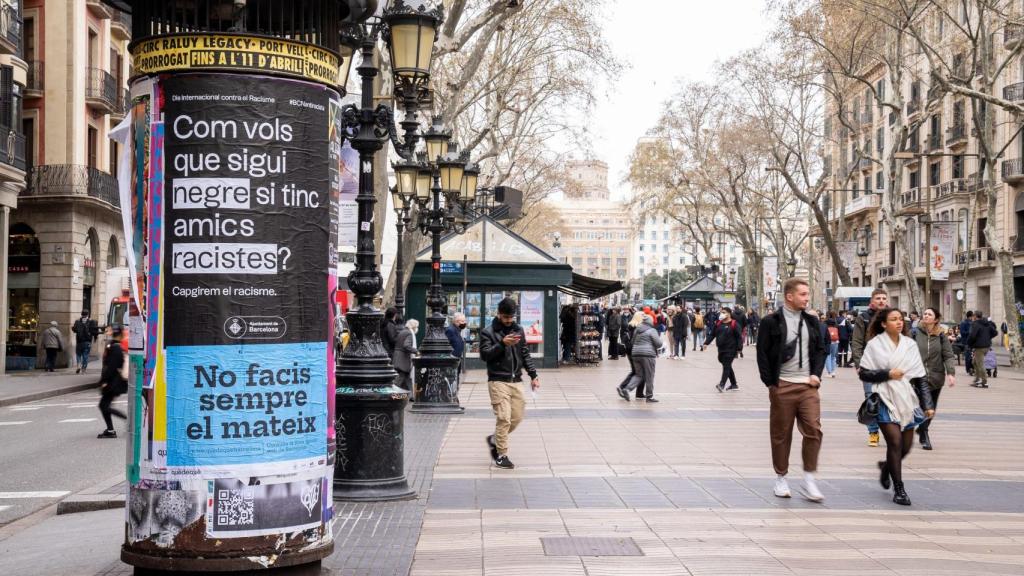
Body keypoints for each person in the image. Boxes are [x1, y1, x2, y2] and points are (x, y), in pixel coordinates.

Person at [756, 278, 826, 502]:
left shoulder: (813, 322)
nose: (807, 298)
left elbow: (820, 350)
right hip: (782, 384)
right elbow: (762, 353)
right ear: (789, 296)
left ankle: (809, 478)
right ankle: (781, 477)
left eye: (807, 294)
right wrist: (771, 384)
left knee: (814, 430)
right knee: (781, 433)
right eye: (803, 294)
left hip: (808, 386)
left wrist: (816, 373)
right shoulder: (771, 321)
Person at [858, 308, 934, 505]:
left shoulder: (910, 344)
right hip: (884, 397)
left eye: (901, 319)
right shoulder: (874, 345)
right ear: (884, 324)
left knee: (906, 447)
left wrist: (928, 404)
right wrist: (887, 374)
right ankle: (899, 489)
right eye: (894, 319)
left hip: (906, 398)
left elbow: (920, 377)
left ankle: (886, 468)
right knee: (894, 442)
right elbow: (864, 374)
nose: (899, 322)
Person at [480, 298, 540, 469]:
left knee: (517, 417)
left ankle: (495, 439)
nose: (508, 320)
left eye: (511, 317)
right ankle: (501, 455)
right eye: (505, 317)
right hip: (498, 380)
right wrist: (501, 343)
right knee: (504, 418)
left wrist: (533, 375)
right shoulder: (488, 332)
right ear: (498, 314)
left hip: (517, 380)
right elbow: (485, 355)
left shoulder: (518, 330)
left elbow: (525, 354)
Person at [850, 288, 889, 447]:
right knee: (871, 399)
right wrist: (859, 363)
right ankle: (873, 432)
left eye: (883, 298)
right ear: (872, 301)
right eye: (878, 298)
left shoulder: (893, 317)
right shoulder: (863, 318)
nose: (881, 301)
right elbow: (857, 342)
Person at [913, 307, 955, 450]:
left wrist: (951, 373)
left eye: (929, 314)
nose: (926, 316)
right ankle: (924, 434)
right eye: (924, 314)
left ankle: (922, 428)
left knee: (932, 408)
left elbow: (948, 355)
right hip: (918, 375)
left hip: (936, 376)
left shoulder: (941, 335)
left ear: (936, 319)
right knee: (926, 406)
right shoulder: (915, 332)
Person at [617, 314, 662, 402]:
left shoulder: (637, 329)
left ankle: (627, 389)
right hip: (648, 355)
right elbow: (659, 344)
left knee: (638, 375)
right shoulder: (652, 330)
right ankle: (649, 396)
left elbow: (633, 341)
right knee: (649, 375)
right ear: (650, 322)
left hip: (635, 354)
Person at [96, 327, 128, 438]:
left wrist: (104, 381)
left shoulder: (115, 348)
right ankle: (110, 430)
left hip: (113, 383)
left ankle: (126, 420)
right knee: (104, 405)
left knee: (104, 405)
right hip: (114, 382)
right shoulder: (116, 347)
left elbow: (110, 367)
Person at [706, 307, 743, 392]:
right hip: (721, 349)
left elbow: (739, 337)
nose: (721, 314)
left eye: (724, 312)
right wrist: (706, 343)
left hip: (731, 349)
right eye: (721, 312)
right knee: (727, 366)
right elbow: (712, 334)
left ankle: (721, 384)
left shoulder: (734, 324)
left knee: (726, 366)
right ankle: (734, 384)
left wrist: (739, 348)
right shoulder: (718, 323)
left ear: (729, 314)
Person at [966, 311, 997, 388]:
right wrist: (988, 338)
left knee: (980, 364)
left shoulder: (975, 324)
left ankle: (984, 381)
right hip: (987, 346)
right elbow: (995, 332)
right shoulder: (987, 323)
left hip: (979, 347)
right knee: (974, 362)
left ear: (975, 316)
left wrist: (969, 344)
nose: (973, 317)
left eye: (973, 316)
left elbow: (972, 336)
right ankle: (977, 379)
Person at [391, 317, 417, 393]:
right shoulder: (409, 333)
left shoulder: (403, 331)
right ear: (413, 327)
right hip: (403, 359)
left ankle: (412, 396)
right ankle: (393, 393)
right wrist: (416, 351)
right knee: (400, 379)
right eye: (416, 327)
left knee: (407, 378)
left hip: (398, 357)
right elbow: (407, 346)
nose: (416, 329)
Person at [959, 311, 975, 376]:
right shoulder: (963, 323)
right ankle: (969, 369)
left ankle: (972, 368)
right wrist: (969, 332)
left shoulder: (973, 323)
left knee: (972, 356)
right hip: (966, 342)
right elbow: (962, 333)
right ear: (970, 316)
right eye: (972, 316)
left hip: (972, 342)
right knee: (968, 356)